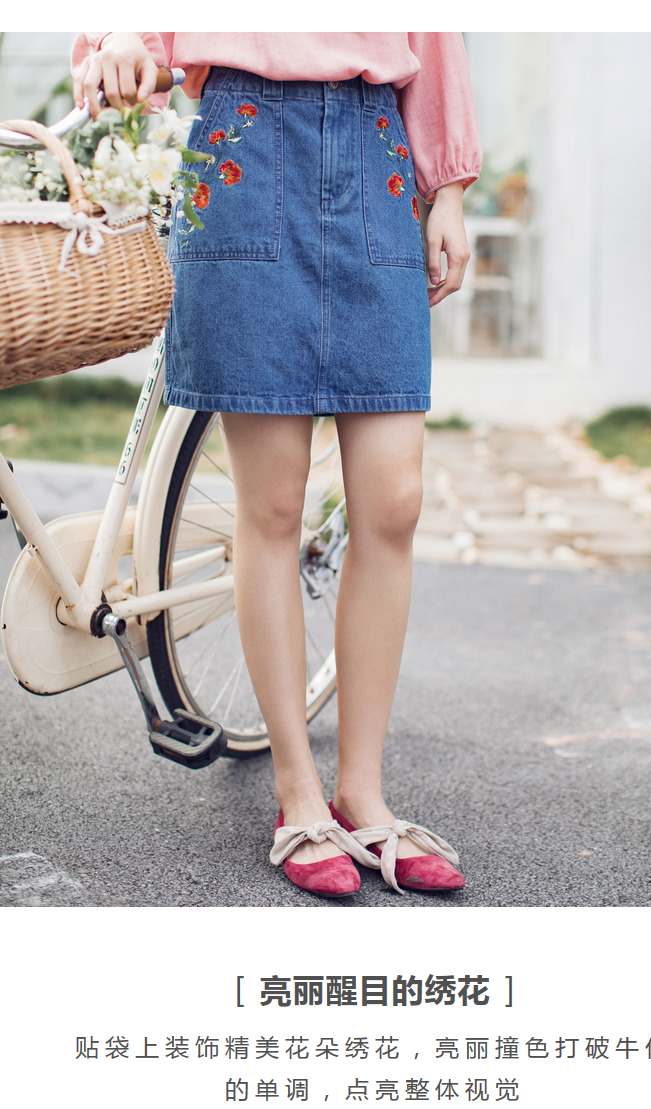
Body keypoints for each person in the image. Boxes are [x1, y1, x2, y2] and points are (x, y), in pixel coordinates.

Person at [72, 32, 482, 898]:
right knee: (271, 507)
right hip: (243, 152)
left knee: (394, 500)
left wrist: (447, 188)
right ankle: (298, 792)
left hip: (376, 156)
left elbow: (432, 34)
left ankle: (362, 792)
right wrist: (119, 41)